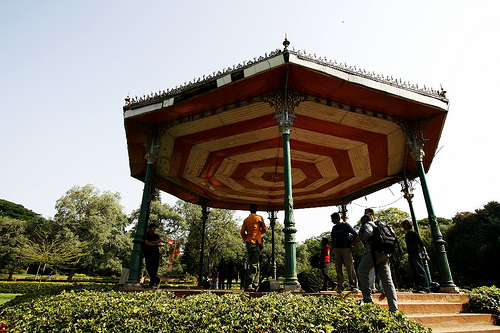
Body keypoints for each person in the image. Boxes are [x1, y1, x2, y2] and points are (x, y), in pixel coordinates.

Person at [357, 214, 398, 312]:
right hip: (386, 253)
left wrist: (362, 237)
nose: (361, 223)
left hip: (374, 252)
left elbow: (368, 234)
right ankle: (394, 308)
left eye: (362, 220)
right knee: (388, 281)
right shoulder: (382, 225)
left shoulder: (367, 224)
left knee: (361, 270)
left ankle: (367, 298)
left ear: (366, 219)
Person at [240, 204, 267, 291]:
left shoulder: (246, 220)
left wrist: (246, 239)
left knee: (256, 263)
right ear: (256, 210)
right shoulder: (259, 218)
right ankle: (249, 284)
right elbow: (264, 229)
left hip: (249, 242)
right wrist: (259, 234)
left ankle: (255, 284)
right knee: (254, 264)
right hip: (255, 242)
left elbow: (242, 232)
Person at [330, 212, 358, 292]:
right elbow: (333, 238)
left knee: (350, 267)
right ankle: (340, 286)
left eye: (332, 219)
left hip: (346, 248)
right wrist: (333, 248)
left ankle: (353, 286)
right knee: (338, 269)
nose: (332, 220)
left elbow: (355, 233)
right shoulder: (334, 228)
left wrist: (352, 245)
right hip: (337, 249)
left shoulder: (346, 225)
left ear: (336, 218)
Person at [401, 220, 431, 293]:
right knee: (414, 271)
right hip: (411, 254)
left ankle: (426, 287)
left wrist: (426, 254)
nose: (403, 226)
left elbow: (421, 243)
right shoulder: (407, 235)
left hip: (416, 253)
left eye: (404, 225)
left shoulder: (413, 233)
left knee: (420, 270)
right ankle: (419, 287)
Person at [143, 223, 163, 289]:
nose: (154, 229)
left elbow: (158, 242)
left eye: (155, 228)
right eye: (153, 228)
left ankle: (152, 284)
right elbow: (147, 243)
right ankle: (157, 280)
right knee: (149, 268)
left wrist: (151, 243)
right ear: (150, 228)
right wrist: (155, 242)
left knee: (155, 269)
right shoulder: (146, 235)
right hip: (148, 253)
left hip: (155, 254)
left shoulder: (156, 235)